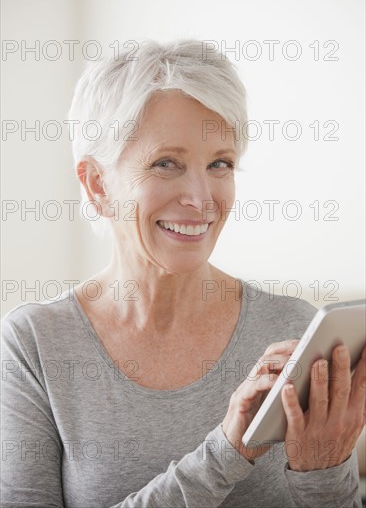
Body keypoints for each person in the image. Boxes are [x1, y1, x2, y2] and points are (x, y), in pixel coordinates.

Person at [1, 39, 364, 507]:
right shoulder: (34, 345)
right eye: (166, 164)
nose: (201, 197)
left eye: (220, 163)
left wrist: (327, 468)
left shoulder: (294, 330)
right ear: (96, 183)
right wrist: (227, 452)